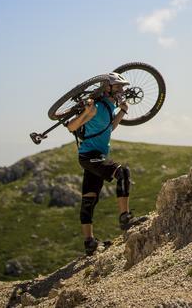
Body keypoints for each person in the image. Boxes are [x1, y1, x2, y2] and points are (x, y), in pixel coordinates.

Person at [66, 73, 147, 256]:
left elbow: (108, 128)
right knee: (123, 172)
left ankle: (89, 243)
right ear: (107, 88)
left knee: (89, 200)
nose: (122, 91)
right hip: (90, 156)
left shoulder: (109, 107)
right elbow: (71, 127)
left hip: (94, 157)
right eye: (118, 87)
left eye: (123, 88)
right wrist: (87, 113)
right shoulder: (95, 106)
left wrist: (123, 111)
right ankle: (125, 218)